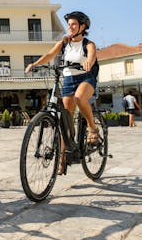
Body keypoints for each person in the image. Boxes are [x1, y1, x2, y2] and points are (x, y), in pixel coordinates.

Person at [25, 11, 99, 175]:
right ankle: (62, 160)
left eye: (73, 24)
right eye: (69, 25)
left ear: (82, 27)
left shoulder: (88, 44)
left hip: (86, 78)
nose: (70, 27)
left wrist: (88, 62)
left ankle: (93, 129)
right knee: (65, 124)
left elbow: (92, 56)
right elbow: (50, 54)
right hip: (68, 81)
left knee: (80, 98)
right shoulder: (64, 43)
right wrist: (34, 64)